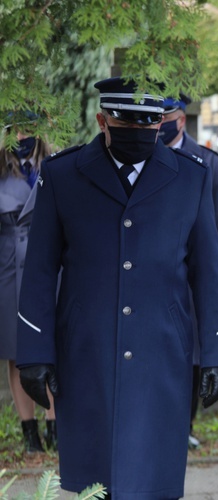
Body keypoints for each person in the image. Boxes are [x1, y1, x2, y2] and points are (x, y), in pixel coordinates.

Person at [15, 77, 218, 499]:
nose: (139, 133)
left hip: (162, 349)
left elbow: (208, 271)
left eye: (149, 124)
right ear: (103, 120)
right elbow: (40, 270)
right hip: (87, 350)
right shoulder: (64, 175)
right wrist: (34, 353)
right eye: (127, 124)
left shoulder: (191, 178)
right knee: (93, 477)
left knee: (155, 475)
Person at [160, 94, 218, 449]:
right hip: (161, 273)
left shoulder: (207, 161)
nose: (161, 123)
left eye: (168, 115)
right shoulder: (148, 159)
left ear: (182, 118)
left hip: (196, 275)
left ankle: (185, 425)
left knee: (192, 355)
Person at [0, 124, 57, 453]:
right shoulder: (0, 167)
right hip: (7, 270)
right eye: (15, 130)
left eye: (28, 129)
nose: (22, 137)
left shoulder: (53, 164)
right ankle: (29, 432)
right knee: (15, 353)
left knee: (51, 348)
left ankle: (54, 424)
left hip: (48, 266)